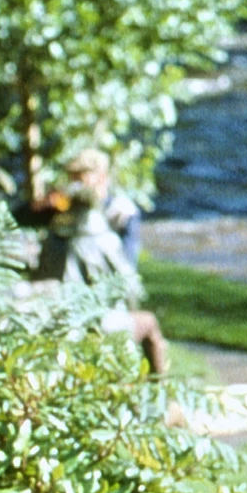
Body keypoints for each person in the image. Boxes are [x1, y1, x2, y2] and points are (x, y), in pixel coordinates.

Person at [31, 146, 168, 375]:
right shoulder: (62, 213)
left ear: (101, 177)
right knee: (145, 323)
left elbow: (125, 272)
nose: (75, 186)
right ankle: (158, 391)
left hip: (95, 305)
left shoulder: (120, 213)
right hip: (71, 313)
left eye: (81, 178)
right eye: (72, 179)